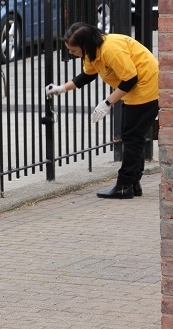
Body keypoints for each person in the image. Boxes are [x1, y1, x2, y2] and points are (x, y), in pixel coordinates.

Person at [45, 22, 159, 199]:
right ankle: (132, 183)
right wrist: (62, 88)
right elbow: (87, 75)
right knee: (132, 137)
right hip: (135, 91)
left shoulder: (111, 50)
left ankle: (124, 185)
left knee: (132, 138)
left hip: (147, 87)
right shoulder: (93, 52)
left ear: (84, 45)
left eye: (73, 50)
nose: (71, 53)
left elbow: (130, 80)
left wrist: (107, 102)